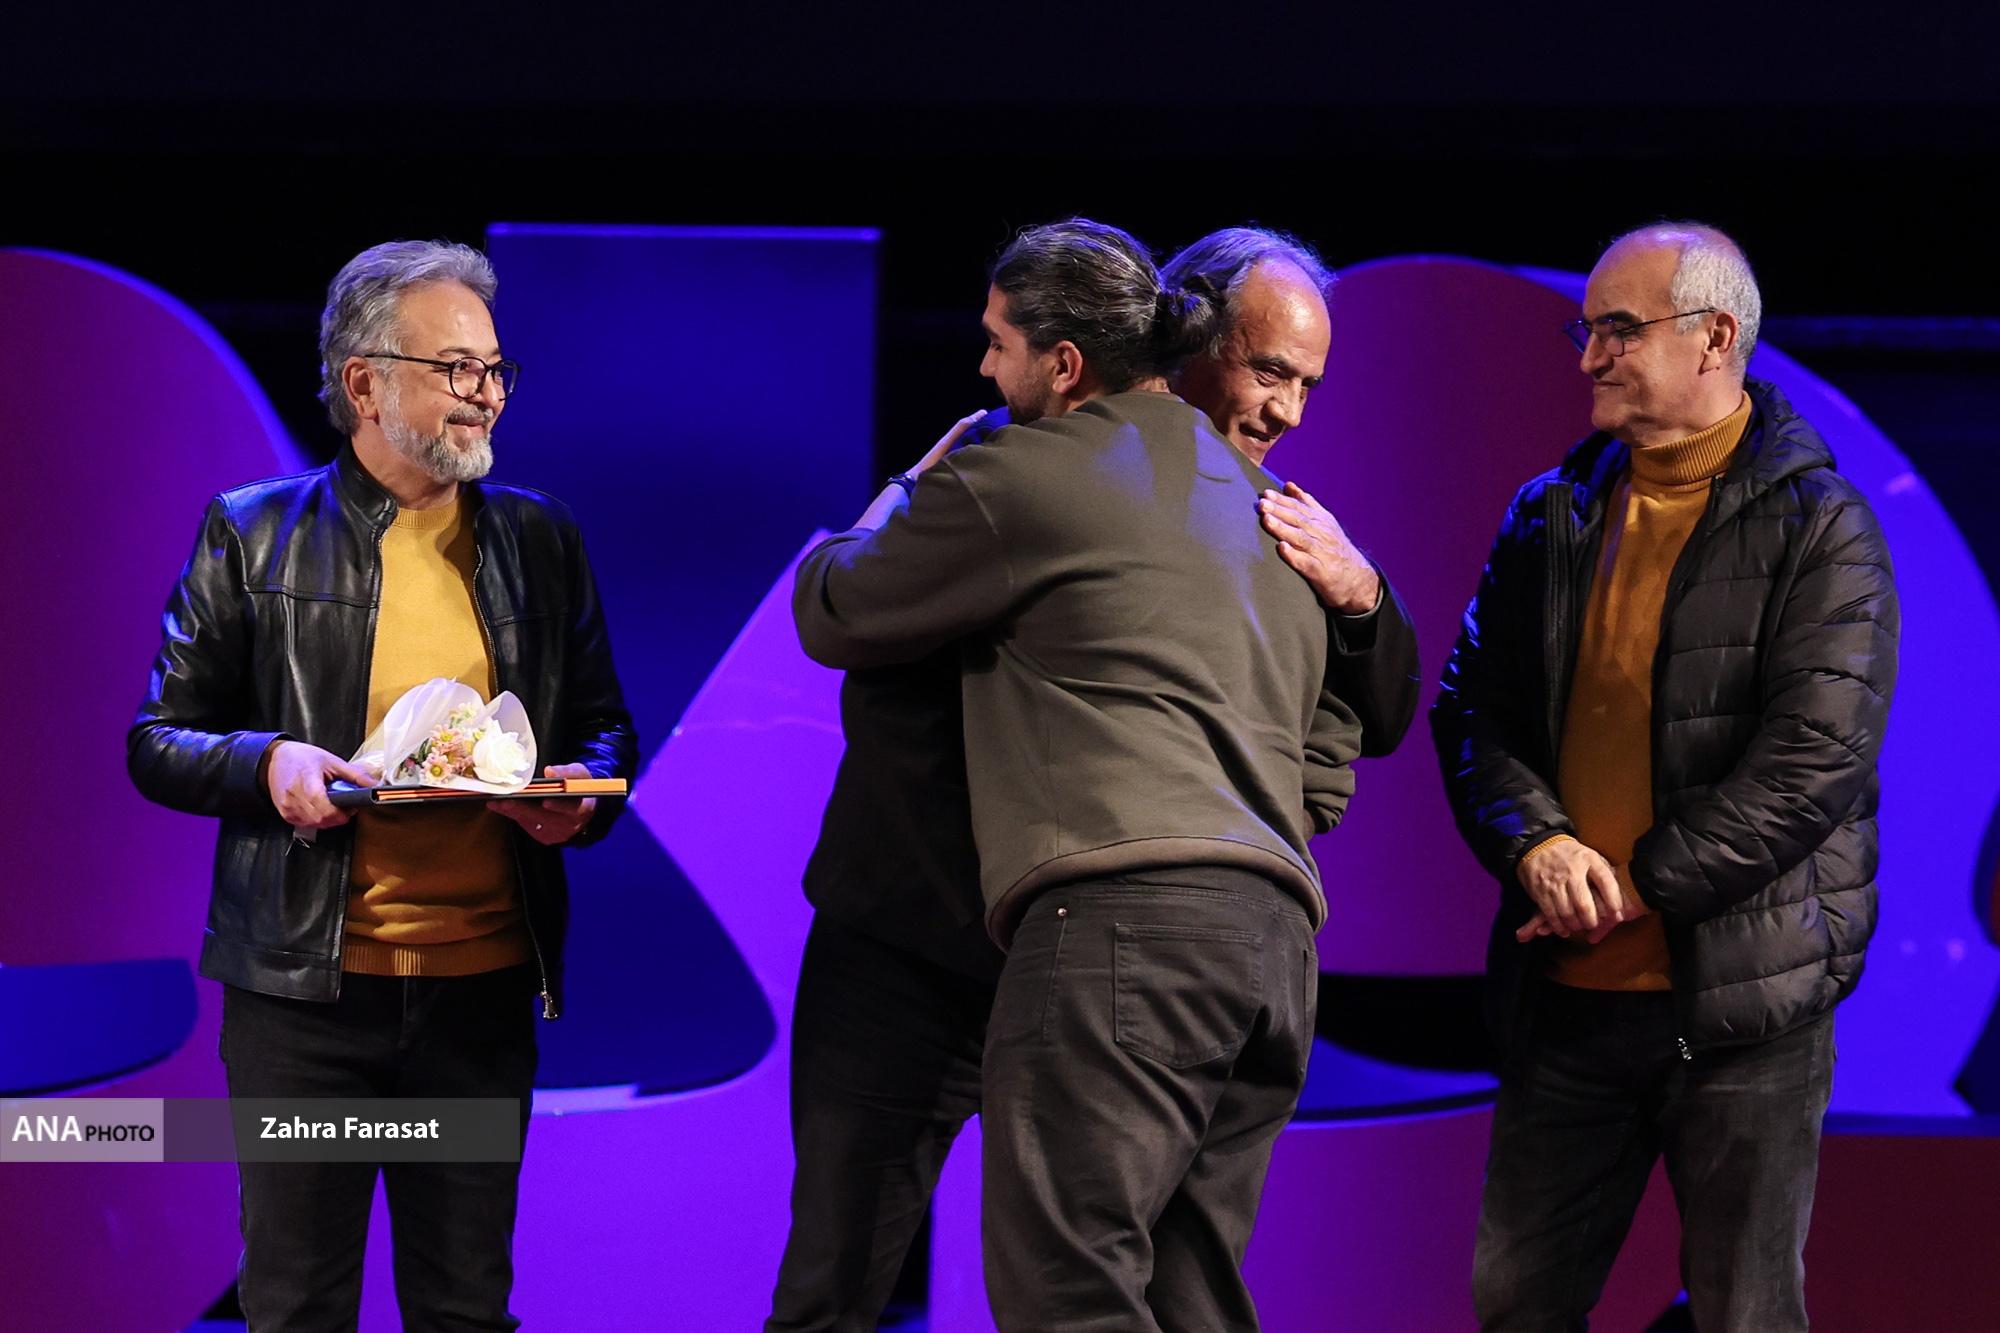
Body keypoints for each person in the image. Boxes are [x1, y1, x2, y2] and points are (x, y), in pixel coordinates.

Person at [769, 222, 1423, 1333]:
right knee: (883, 1268)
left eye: (1306, 384)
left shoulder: (1276, 527)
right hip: (924, 934)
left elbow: (1360, 719)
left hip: (1100, 927)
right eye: (1270, 370)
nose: (1286, 410)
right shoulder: (1019, 466)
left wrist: (1218, 826)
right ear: (1186, 338)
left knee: (1073, 1283)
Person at [128, 239, 636, 1331]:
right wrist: (269, 762)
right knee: (298, 1304)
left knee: (464, 1306)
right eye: (457, 368)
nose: (487, 394)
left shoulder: (539, 537)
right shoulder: (254, 532)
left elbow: (604, 726)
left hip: (479, 997)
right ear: (364, 383)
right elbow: (158, 740)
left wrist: (575, 796)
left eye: (494, 369)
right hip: (306, 1005)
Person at [1429, 222, 1898, 1330]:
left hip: (1743, 1007)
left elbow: (1813, 761)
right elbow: (1471, 709)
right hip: (1564, 1001)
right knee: (1514, 1301)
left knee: (1743, 1311)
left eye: (1618, 330)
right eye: (1585, 330)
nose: (1589, 355)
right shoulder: (1550, 511)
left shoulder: (1822, 528)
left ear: (1714, 338)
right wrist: (1535, 844)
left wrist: (1633, 885)